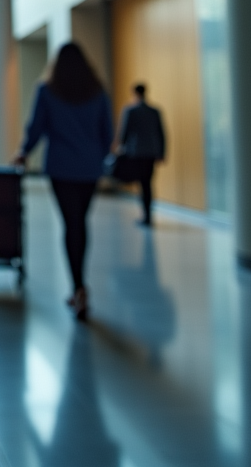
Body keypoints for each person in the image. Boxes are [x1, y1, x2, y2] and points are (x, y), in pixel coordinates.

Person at [13, 43, 114, 321]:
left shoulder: (47, 90)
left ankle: (78, 286)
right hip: (90, 168)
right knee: (80, 222)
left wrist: (24, 151)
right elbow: (108, 130)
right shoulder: (97, 91)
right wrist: (99, 156)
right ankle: (79, 286)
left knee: (71, 224)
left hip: (61, 168)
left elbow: (37, 126)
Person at [116, 83, 167, 226]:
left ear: (134, 93)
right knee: (147, 184)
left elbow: (125, 132)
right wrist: (162, 152)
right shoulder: (154, 111)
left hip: (136, 152)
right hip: (151, 152)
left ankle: (145, 215)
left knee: (141, 184)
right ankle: (148, 215)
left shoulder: (130, 110)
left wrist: (121, 147)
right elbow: (162, 133)